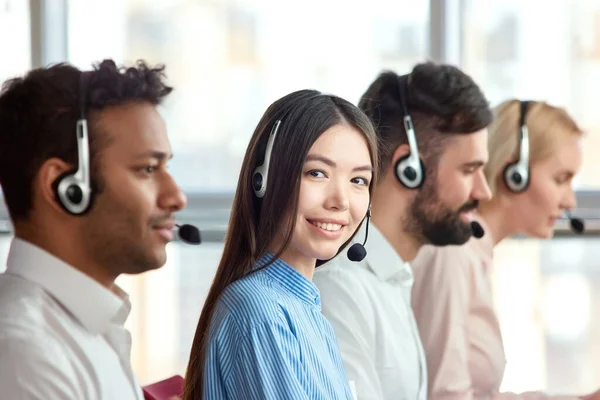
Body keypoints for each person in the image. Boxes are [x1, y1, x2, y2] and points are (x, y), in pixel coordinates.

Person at [0, 59, 187, 399]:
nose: (177, 197)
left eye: (166, 167)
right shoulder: (25, 354)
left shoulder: (89, 329)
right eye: (147, 169)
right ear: (67, 187)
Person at [312, 62, 494, 400]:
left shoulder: (393, 279)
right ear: (409, 168)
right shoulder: (341, 291)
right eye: (470, 170)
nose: (484, 192)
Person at [181, 89, 378, 400]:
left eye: (358, 181)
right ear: (264, 180)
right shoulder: (261, 312)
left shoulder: (307, 311)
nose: (341, 201)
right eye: (317, 173)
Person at [411, 99, 600, 400]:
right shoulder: (455, 253)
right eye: (560, 179)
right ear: (514, 173)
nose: (570, 202)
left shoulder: (476, 253)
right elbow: (445, 395)